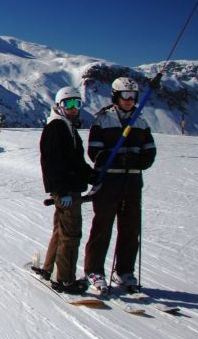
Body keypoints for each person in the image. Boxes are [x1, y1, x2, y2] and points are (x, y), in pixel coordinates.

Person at [84, 77, 156, 293]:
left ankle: (124, 270)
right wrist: (113, 158)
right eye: (125, 96)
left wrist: (136, 160)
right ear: (116, 96)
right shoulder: (103, 120)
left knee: (130, 228)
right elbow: (94, 151)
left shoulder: (140, 121)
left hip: (132, 181)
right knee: (102, 227)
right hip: (109, 181)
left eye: (133, 96)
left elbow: (149, 151)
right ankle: (94, 270)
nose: (129, 100)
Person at [34, 86, 94, 293]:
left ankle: (49, 269)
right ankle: (65, 280)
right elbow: (53, 163)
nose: (73, 108)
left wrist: (93, 176)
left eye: (77, 104)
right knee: (71, 234)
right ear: (59, 106)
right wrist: (62, 191)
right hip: (66, 190)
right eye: (68, 104)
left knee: (61, 231)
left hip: (68, 188)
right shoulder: (57, 128)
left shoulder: (66, 127)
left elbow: (76, 161)